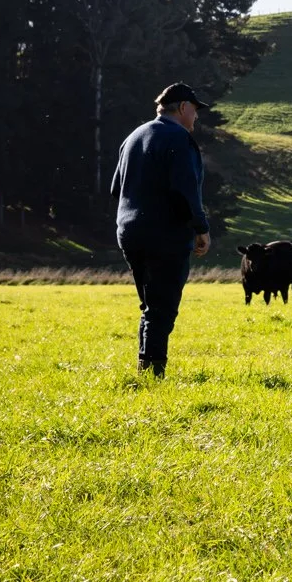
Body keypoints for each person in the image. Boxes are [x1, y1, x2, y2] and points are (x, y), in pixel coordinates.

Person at [111, 82, 214, 377]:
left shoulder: (133, 136)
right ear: (182, 107)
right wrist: (201, 228)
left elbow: (116, 188)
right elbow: (186, 189)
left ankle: (146, 366)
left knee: (150, 304)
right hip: (165, 234)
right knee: (163, 306)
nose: (196, 117)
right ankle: (153, 372)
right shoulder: (179, 139)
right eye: (194, 110)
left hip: (129, 231)